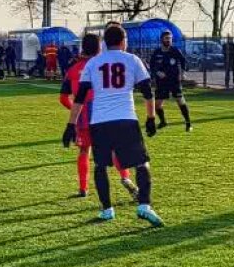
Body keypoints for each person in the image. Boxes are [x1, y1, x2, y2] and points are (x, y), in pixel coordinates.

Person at [65, 22, 164, 226]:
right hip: (126, 118)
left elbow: (80, 97)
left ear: (105, 43)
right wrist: (151, 118)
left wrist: (70, 125)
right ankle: (144, 205)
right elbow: (147, 91)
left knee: (101, 166)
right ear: (123, 41)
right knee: (141, 162)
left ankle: (107, 209)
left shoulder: (93, 63)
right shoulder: (132, 59)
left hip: (99, 121)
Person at [60, 33, 138, 199]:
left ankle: (83, 188)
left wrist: (76, 111)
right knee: (113, 149)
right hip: (103, 113)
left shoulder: (73, 69)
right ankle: (126, 178)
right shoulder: (102, 64)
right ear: (98, 47)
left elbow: (63, 98)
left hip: (83, 118)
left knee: (84, 150)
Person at [149, 30, 191, 132]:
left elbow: (183, 61)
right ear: (162, 40)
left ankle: (188, 123)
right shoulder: (157, 52)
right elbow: (151, 66)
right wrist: (157, 72)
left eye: (170, 39)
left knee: (180, 101)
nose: (169, 40)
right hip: (161, 82)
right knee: (157, 105)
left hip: (174, 81)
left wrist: (182, 73)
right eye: (167, 38)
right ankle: (163, 122)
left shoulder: (175, 51)